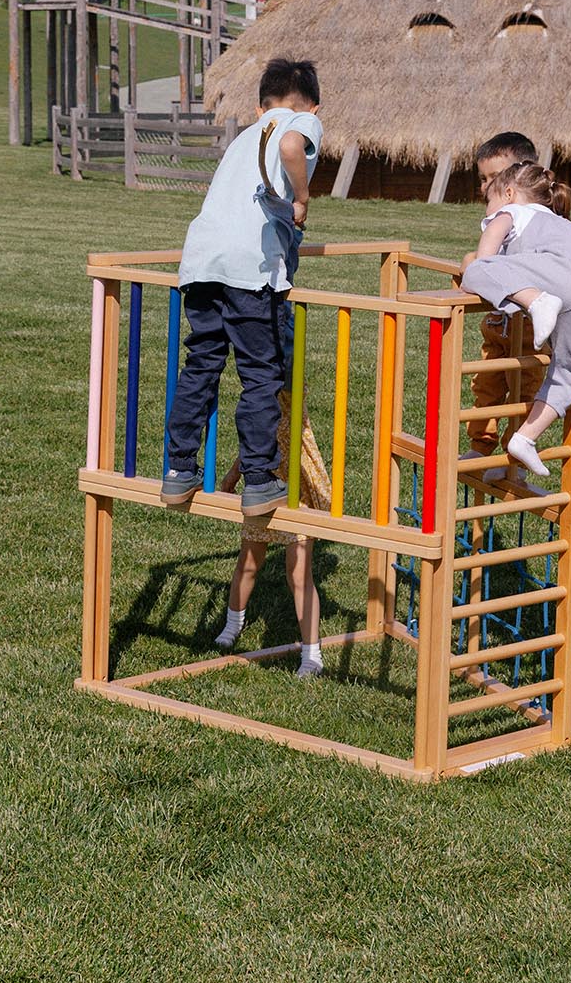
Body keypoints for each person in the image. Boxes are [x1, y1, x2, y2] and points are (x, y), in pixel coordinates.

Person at [162, 58, 322, 519]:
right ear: (312, 103)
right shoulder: (300, 122)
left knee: (202, 363)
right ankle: (258, 478)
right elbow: (293, 144)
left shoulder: (244, 138)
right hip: (248, 268)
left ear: (258, 107)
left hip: (201, 261)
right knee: (260, 373)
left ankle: (178, 470)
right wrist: (302, 197)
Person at [461, 161, 571, 478]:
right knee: (570, 373)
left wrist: (488, 275)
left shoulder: (511, 212)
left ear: (509, 192)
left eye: (489, 200)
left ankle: (536, 301)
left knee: (473, 270)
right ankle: (525, 439)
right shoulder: (565, 225)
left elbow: (486, 260)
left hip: (556, 283)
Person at [213, 302, 330, 679]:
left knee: (299, 573)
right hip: (263, 482)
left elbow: (284, 361)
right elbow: (255, 443)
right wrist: (234, 474)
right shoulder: (259, 397)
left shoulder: (288, 392)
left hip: (295, 483)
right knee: (249, 559)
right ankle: (232, 625)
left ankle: (312, 654)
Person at [462, 133, 548, 479]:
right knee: (486, 388)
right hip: (498, 328)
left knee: (526, 393)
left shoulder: (539, 222)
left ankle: (515, 461)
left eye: (493, 178)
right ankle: (480, 446)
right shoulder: (498, 220)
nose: (485, 187)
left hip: (530, 334)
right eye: (482, 179)